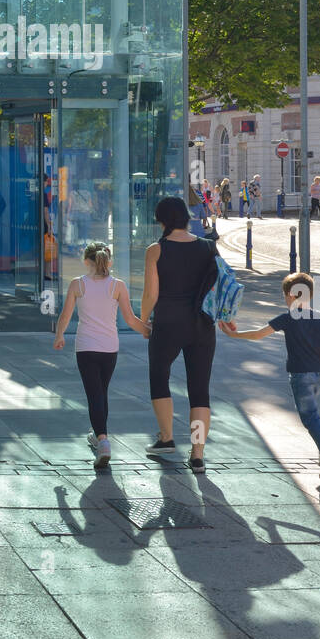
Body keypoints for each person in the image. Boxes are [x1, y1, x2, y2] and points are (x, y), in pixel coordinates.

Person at [225, 270, 320, 479]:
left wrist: (233, 334)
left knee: (309, 418)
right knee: (313, 415)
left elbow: (258, 334)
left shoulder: (287, 318)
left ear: (289, 295)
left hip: (301, 376)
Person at [138, 196, 220, 472]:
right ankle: (197, 454)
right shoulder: (209, 247)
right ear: (186, 217)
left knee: (159, 377)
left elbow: (151, 293)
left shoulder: (156, 250)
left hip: (168, 324)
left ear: (161, 220)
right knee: (199, 391)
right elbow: (218, 287)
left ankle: (167, 438)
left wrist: (144, 319)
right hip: (202, 326)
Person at [53, 241, 147, 469]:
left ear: (87, 261)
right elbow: (131, 319)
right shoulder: (118, 286)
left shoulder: (78, 284)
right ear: (108, 260)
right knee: (101, 393)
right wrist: (149, 331)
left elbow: (65, 316)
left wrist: (59, 335)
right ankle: (98, 435)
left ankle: (103, 441)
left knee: (94, 394)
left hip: (86, 348)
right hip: (109, 348)